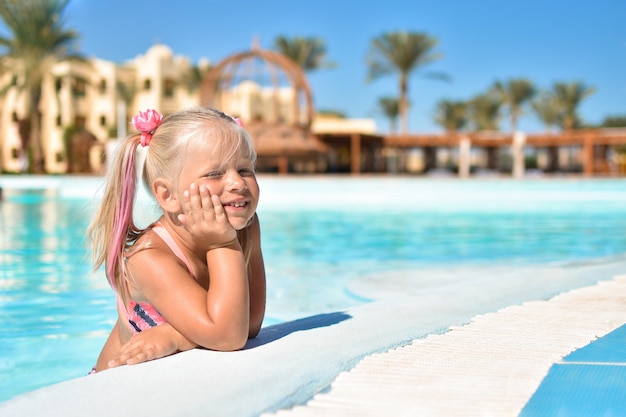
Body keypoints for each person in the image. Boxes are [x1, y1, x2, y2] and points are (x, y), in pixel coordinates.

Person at [88, 107, 266, 372]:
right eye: (215, 173)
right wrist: (223, 246)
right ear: (168, 195)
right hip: (109, 393)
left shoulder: (245, 227)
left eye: (244, 169)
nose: (237, 183)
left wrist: (176, 336)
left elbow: (249, 323)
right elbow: (230, 336)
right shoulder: (148, 257)